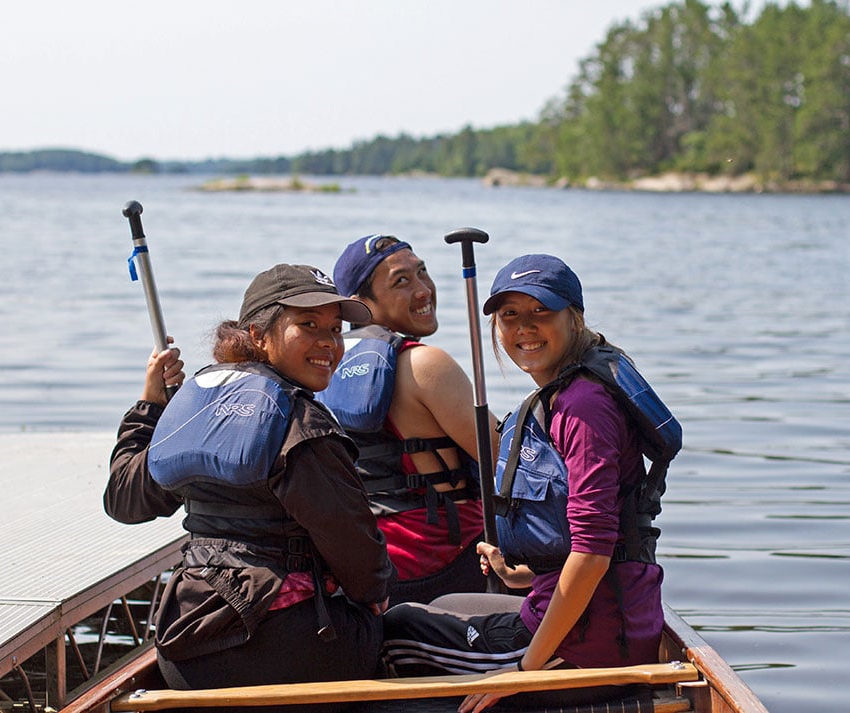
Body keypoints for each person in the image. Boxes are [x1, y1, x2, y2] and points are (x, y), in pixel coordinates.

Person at [381, 254, 667, 713]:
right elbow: (608, 544)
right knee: (452, 599)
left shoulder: (583, 407)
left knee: (393, 634)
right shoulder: (575, 389)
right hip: (612, 617)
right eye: (510, 315)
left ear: (574, 318)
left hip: (582, 649)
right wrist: (528, 572)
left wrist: (522, 672)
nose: (524, 328)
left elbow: (593, 552)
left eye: (540, 312)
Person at [104, 264, 396, 710]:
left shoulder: (193, 410)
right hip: (292, 651)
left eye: (336, 329)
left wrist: (149, 406)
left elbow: (124, 500)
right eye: (309, 325)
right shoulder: (302, 425)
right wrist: (375, 596)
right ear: (258, 336)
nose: (329, 343)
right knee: (399, 628)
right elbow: (356, 548)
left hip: (186, 654)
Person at [315, 235, 496, 605]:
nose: (423, 290)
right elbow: (506, 461)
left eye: (422, 272)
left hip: (369, 567)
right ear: (359, 304)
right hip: (444, 563)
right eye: (401, 281)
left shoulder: (322, 366)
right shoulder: (423, 364)